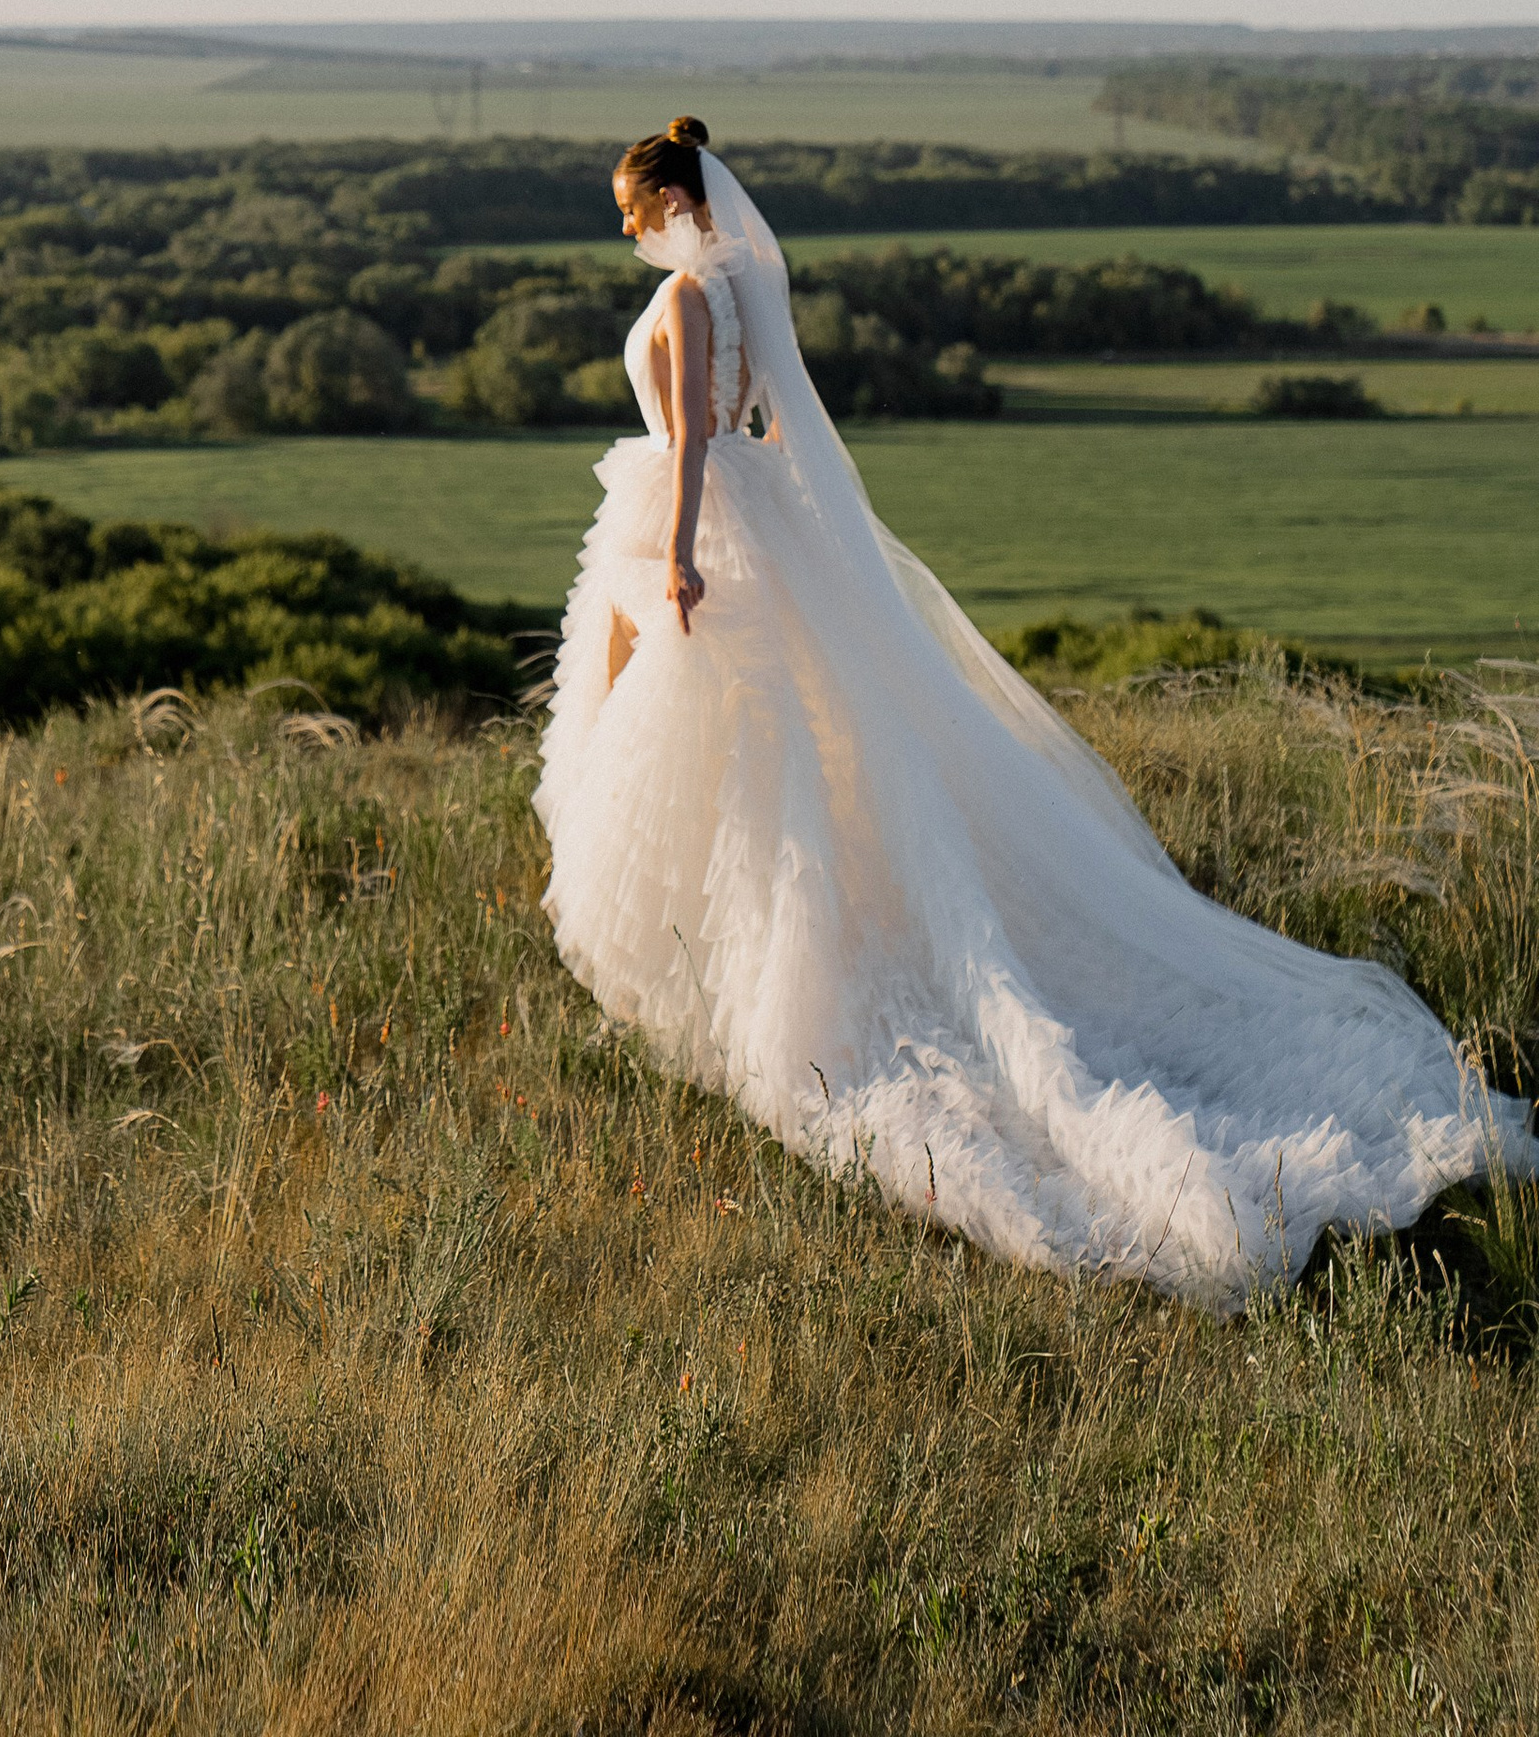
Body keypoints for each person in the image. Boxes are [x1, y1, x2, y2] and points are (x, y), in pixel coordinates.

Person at [533, 117, 1538, 1300]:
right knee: (757, 756)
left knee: (731, 762)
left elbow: (700, 437)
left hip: (698, 528)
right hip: (745, 525)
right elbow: (755, 422)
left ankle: (753, 983)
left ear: (674, 203)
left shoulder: (699, 298)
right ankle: (727, 972)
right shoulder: (742, 292)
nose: (626, 228)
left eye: (633, 208)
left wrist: (682, 556)